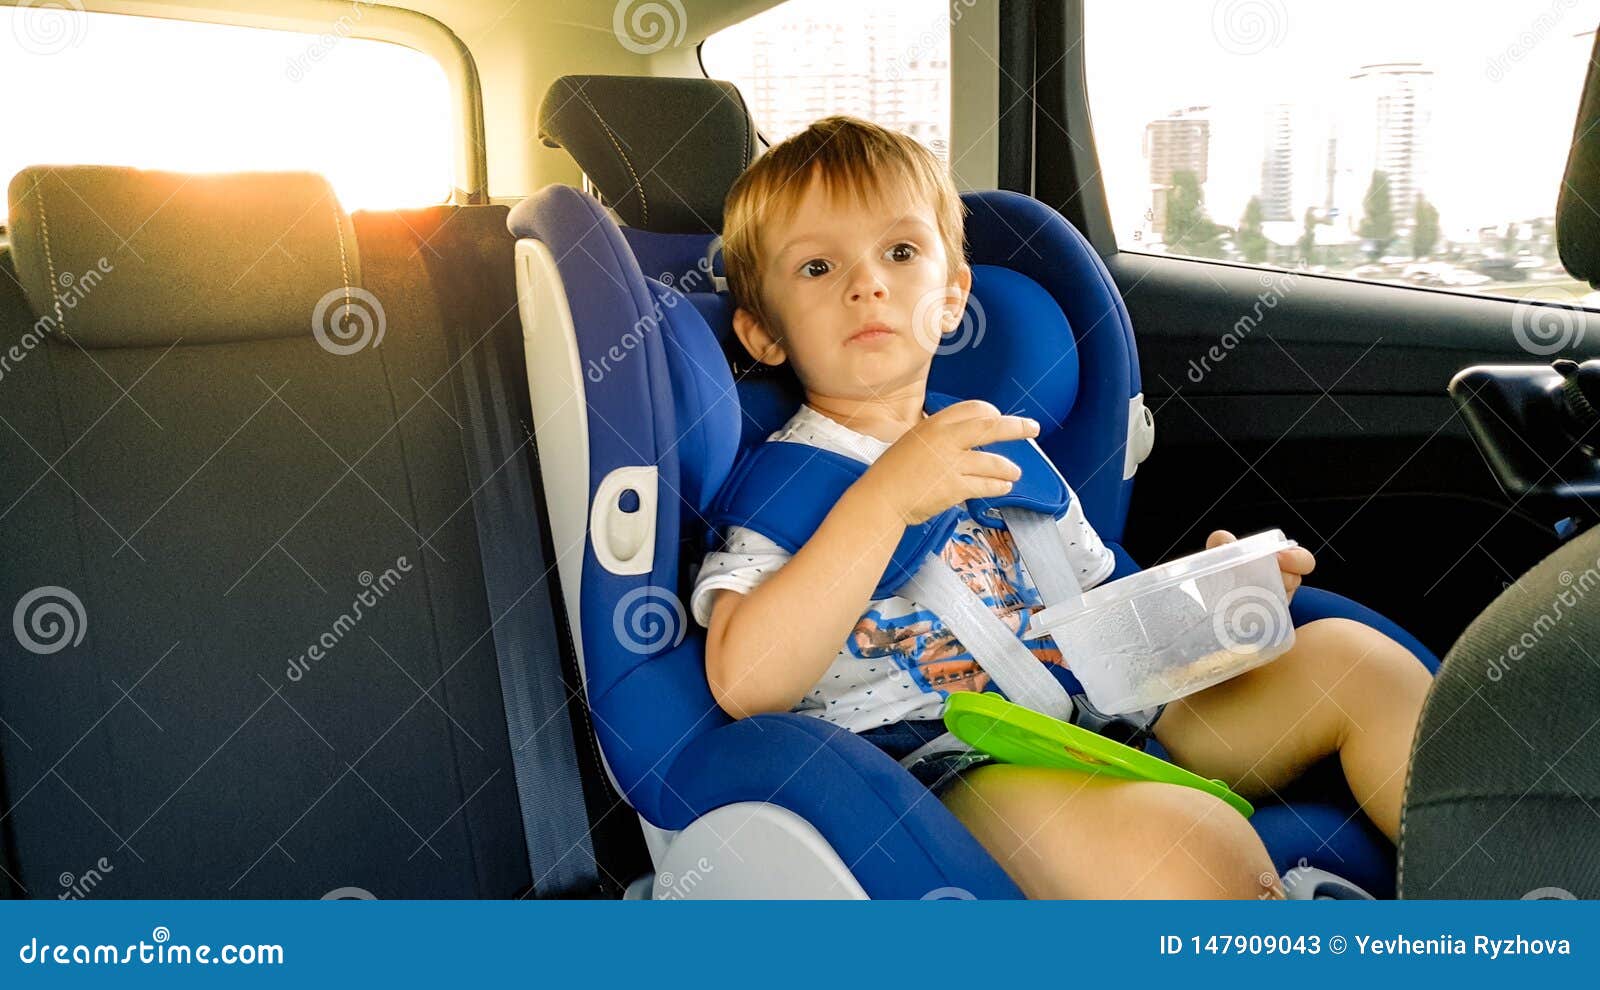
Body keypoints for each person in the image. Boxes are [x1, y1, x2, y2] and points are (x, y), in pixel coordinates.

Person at [691, 115, 1431, 899]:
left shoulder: (1006, 444)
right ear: (763, 333)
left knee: (1357, 661)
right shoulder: (786, 485)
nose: (867, 283)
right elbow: (747, 682)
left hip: (1111, 718)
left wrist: (1205, 610)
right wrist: (882, 503)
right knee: (1191, 843)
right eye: (815, 267)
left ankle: (1511, 892)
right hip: (947, 767)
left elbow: (1103, 615)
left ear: (950, 300)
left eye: (900, 253)